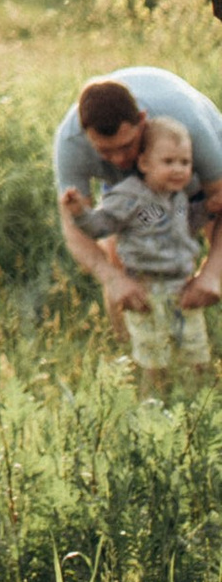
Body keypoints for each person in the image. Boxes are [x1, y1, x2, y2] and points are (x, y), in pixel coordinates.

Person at [53, 67, 222, 325]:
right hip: (129, 188)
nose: (119, 159)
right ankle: (132, 359)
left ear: (142, 120)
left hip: (194, 174)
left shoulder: (188, 123)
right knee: (122, 271)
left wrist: (211, 273)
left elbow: (219, 197)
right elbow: (75, 228)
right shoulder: (71, 144)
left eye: (126, 146)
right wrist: (113, 279)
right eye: (105, 152)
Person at [76, 111, 214, 386]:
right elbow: (101, 225)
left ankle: (206, 403)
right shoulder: (129, 197)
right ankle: (152, 408)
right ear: (144, 162)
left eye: (184, 162)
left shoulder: (177, 198)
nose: (178, 169)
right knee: (153, 359)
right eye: (168, 162)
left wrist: (206, 210)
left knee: (197, 352)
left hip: (181, 287)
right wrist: (80, 213)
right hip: (146, 288)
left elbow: (183, 226)